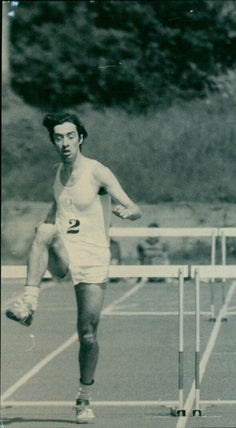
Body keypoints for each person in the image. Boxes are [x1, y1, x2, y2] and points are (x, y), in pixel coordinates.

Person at [5, 112, 142, 423]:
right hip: (67, 254)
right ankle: (29, 302)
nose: (64, 143)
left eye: (69, 136)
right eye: (58, 138)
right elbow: (57, 211)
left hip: (94, 258)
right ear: (53, 142)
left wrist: (125, 211)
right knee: (44, 230)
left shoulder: (97, 172)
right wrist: (42, 244)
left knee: (88, 335)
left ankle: (84, 397)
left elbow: (135, 208)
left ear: (80, 138)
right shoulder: (58, 174)